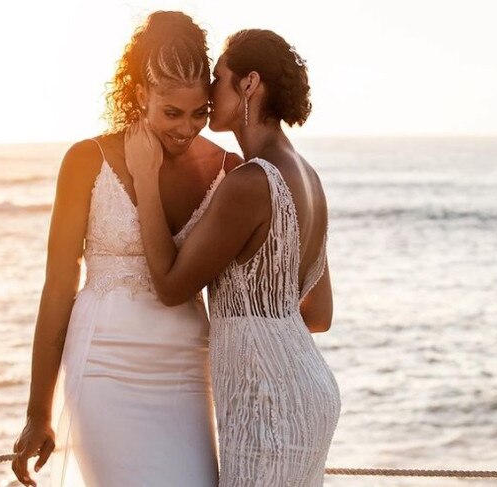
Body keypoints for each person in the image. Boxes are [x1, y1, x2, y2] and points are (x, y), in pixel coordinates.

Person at [11, 11, 241, 487]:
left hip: (186, 368)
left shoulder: (228, 170)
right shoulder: (86, 160)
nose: (186, 128)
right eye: (171, 113)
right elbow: (58, 287)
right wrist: (39, 412)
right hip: (102, 366)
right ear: (141, 95)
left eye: (199, 113)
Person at [125, 28, 340, 486]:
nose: (209, 87)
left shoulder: (250, 182)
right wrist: (262, 319)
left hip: (268, 400)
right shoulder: (308, 176)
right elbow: (319, 314)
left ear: (249, 84)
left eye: (219, 77)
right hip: (308, 388)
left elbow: (170, 285)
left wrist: (146, 178)